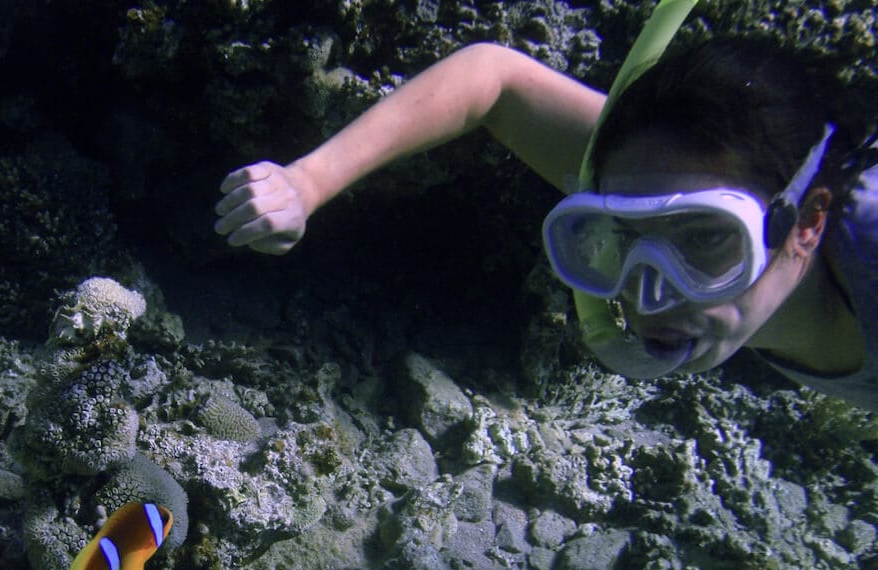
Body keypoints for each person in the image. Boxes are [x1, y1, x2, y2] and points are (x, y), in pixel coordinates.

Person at [213, 34, 878, 410]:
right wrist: (307, 181)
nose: (649, 298)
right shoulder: (662, 168)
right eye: (621, 238)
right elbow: (495, 83)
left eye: (706, 240)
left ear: (809, 222)